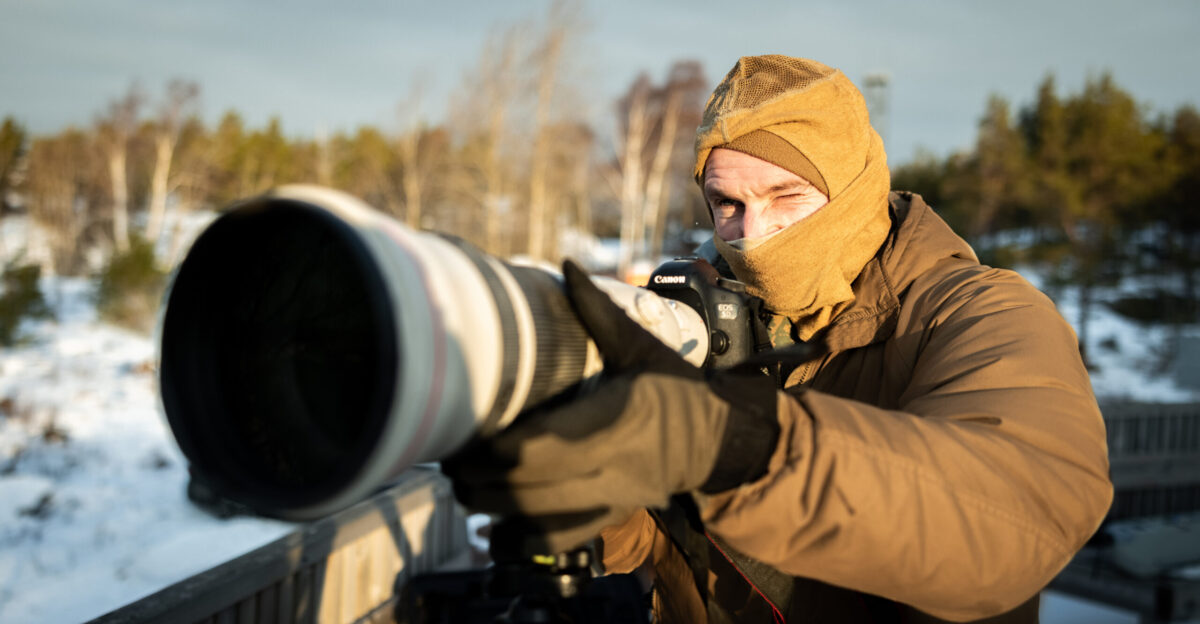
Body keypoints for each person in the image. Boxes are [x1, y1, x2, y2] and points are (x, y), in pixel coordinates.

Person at [447, 56, 1112, 623]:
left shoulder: (980, 313)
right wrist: (586, 482)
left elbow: (1009, 520)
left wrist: (735, 444)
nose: (753, 233)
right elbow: (660, 542)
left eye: (787, 195)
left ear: (854, 193)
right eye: (728, 204)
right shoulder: (713, 318)